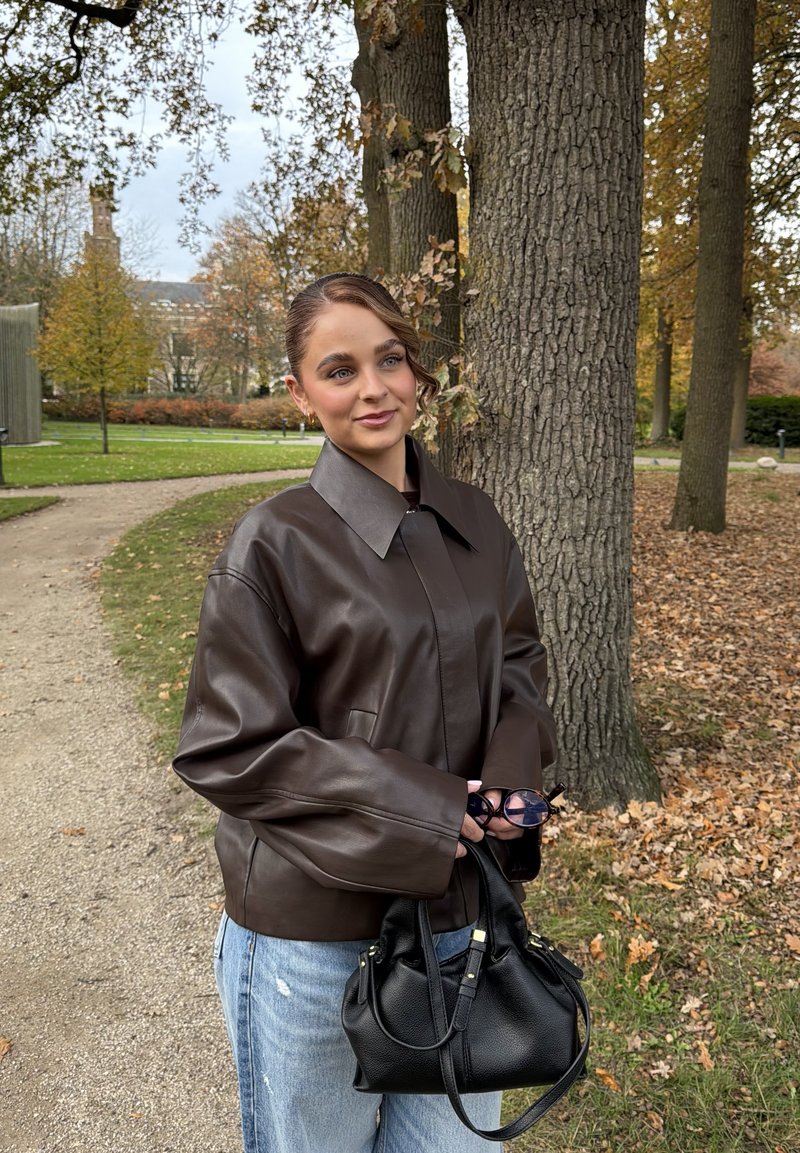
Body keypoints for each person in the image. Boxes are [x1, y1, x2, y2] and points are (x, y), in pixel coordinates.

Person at [173, 273, 558, 1153]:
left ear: (418, 372)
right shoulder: (273, 542)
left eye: (390, 359)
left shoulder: (477, 519)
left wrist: (507, 782)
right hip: (315, 943)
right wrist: (428, 806)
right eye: (339, 369)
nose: (374, 388)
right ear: (300, 391)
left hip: (464, 928)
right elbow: (228, 748)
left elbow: (521, 663)